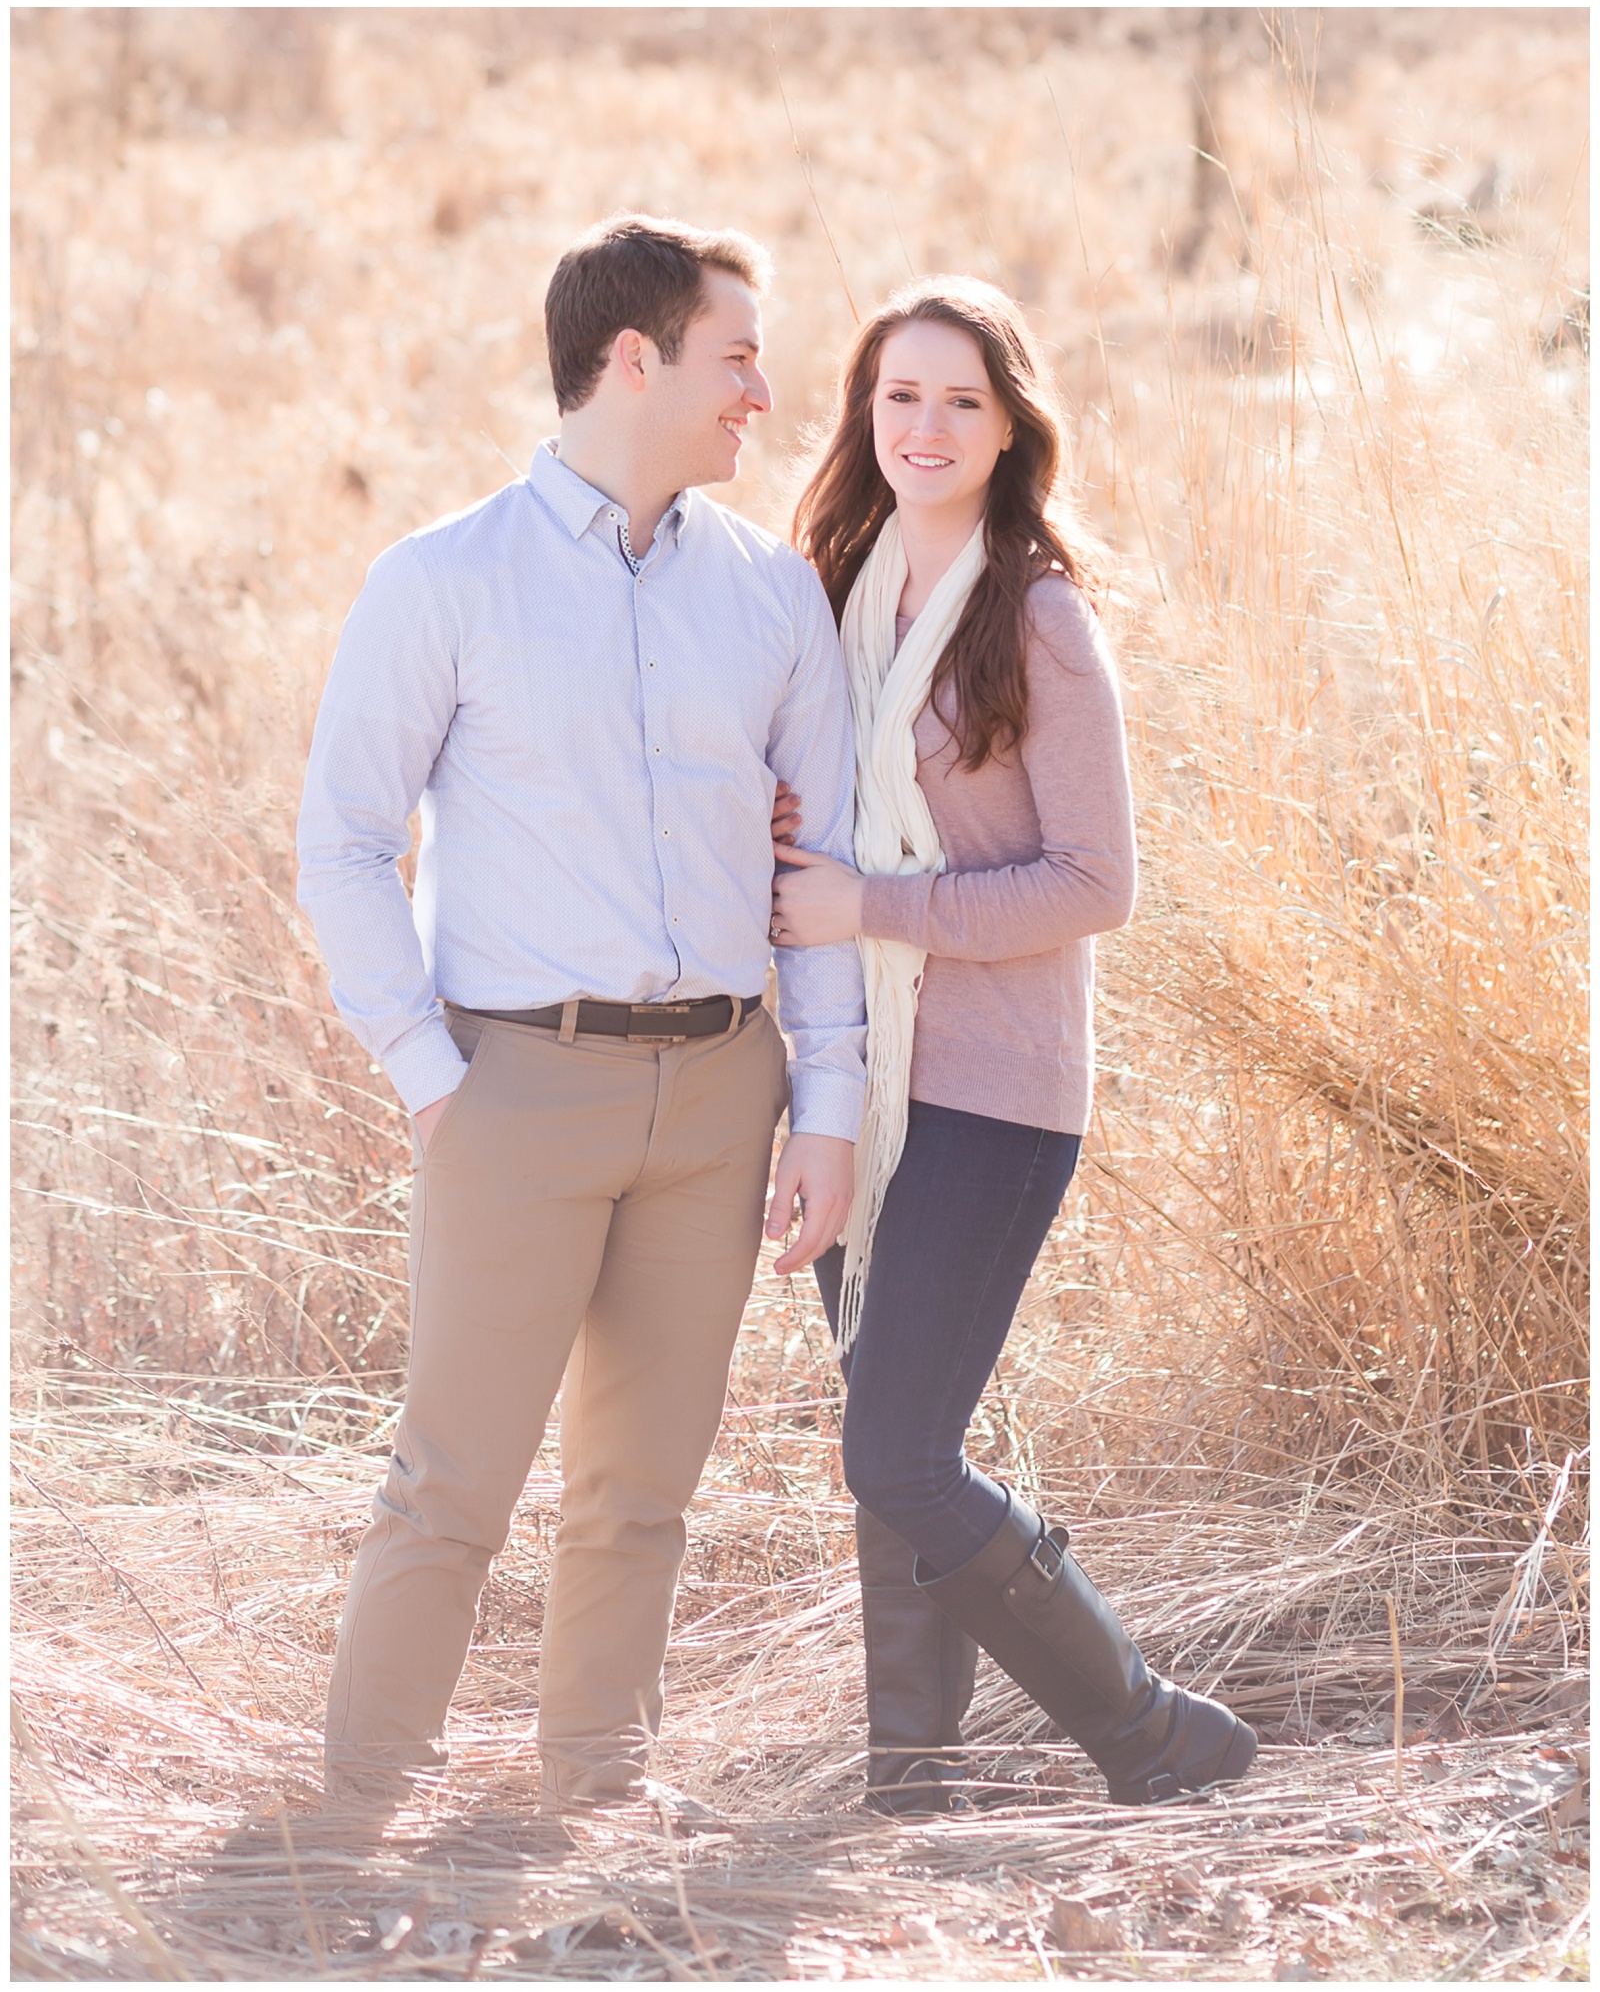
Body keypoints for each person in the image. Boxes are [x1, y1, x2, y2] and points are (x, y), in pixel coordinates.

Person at [297, 214, 864, 1812]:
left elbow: (814, 869)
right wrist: (428, 1071)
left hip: (722, 1096)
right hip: (512, 1089)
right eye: (736, 355)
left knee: (642, 1495)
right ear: (636, 359)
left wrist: (822, 1103)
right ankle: (351, 1817)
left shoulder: (771, 597)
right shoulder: (441, 581)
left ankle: (590, 1805)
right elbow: (343, 841)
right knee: (450, 1487)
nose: (763, 391)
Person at [769, 277, 1256, 1813]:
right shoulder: (831, 591)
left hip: (994, 1092)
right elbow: (815, 815)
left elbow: (1096, 884)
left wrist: (873, 899)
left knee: (900, 1450)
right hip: (854, 1074)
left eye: (961, 401)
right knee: (881, 1433)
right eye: (900, 396)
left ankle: (1152, 1729)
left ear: (1007, 427)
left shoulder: (1035, 614)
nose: (926, 426)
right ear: (863, 415)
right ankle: (911, 1774)